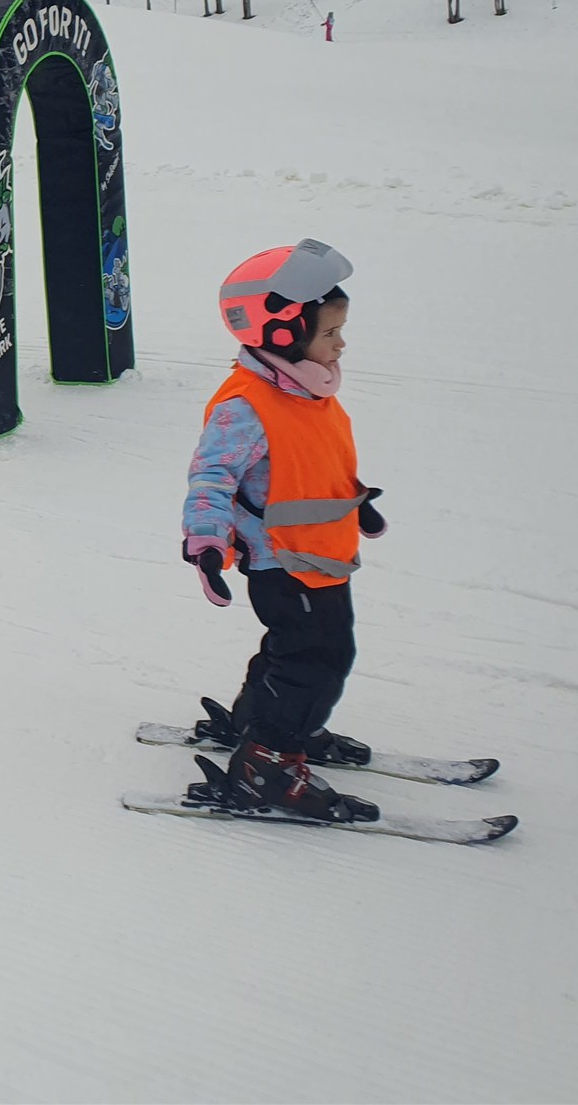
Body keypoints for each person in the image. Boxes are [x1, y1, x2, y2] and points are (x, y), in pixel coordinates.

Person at [179, 239, 387, 822]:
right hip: (283, 561)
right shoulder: (247, 406)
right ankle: (266, 764)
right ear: (282, 331)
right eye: (330, 332)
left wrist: (355, 504)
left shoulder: (304, 393)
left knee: (295, 650)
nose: (340, 344)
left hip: (322, 552)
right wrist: (206, 541)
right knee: (318, 658)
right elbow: (212, 477)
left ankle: (263, 722)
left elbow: (310, 464)